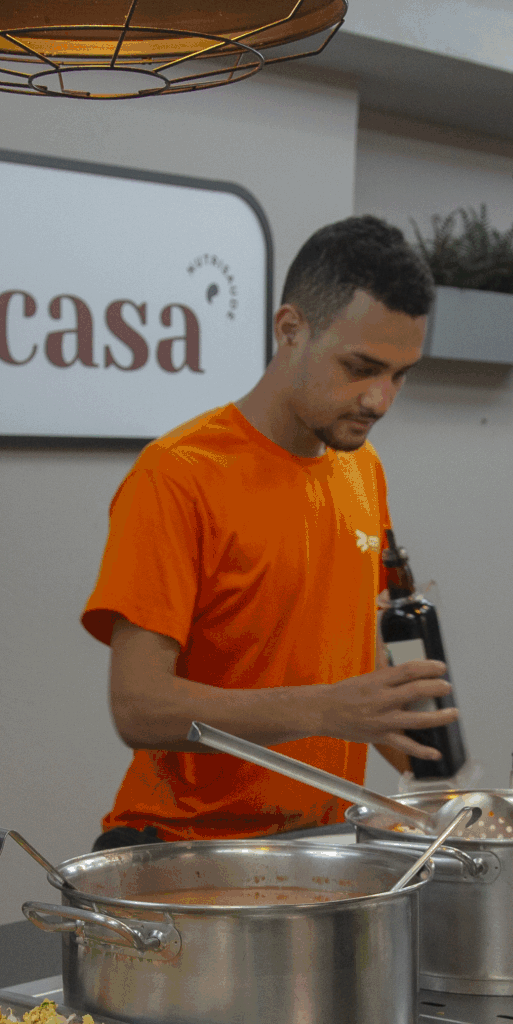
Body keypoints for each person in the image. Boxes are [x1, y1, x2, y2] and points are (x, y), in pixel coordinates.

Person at [79, 215, 454, 848]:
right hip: (186, 851)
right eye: (360, 367)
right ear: (290, 329)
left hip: (321, 848)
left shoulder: (363, 469)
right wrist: (328, 709)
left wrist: (447, 783)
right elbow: (139, 707)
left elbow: (355, 653)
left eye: (399, 374)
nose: (380, 400)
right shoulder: (177, 475)